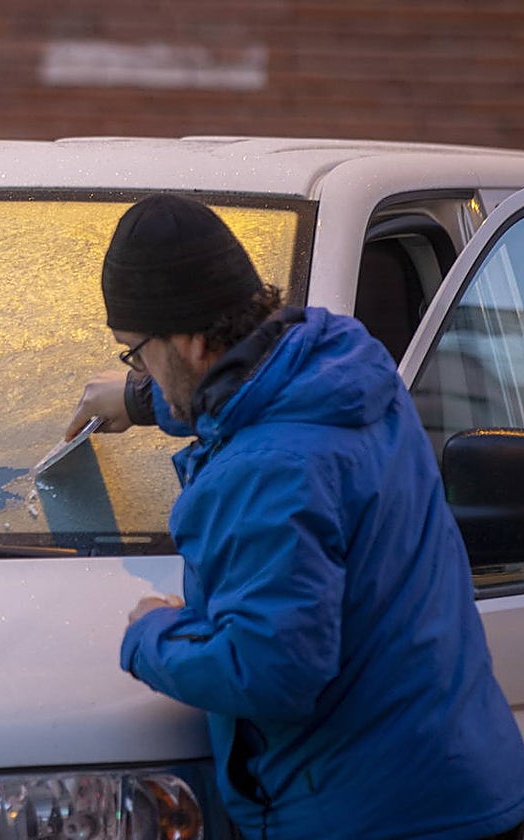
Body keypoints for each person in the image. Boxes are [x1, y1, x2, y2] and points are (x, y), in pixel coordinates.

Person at [64, 193, 524, 839]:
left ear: (193, 341)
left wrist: (151, 635)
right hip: (458, 785)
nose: (137, 366)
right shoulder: (345, 365)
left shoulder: (267, 474)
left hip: (370, 820)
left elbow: (271, 672)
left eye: (135, 352)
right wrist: (145, 397)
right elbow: (255, 391)